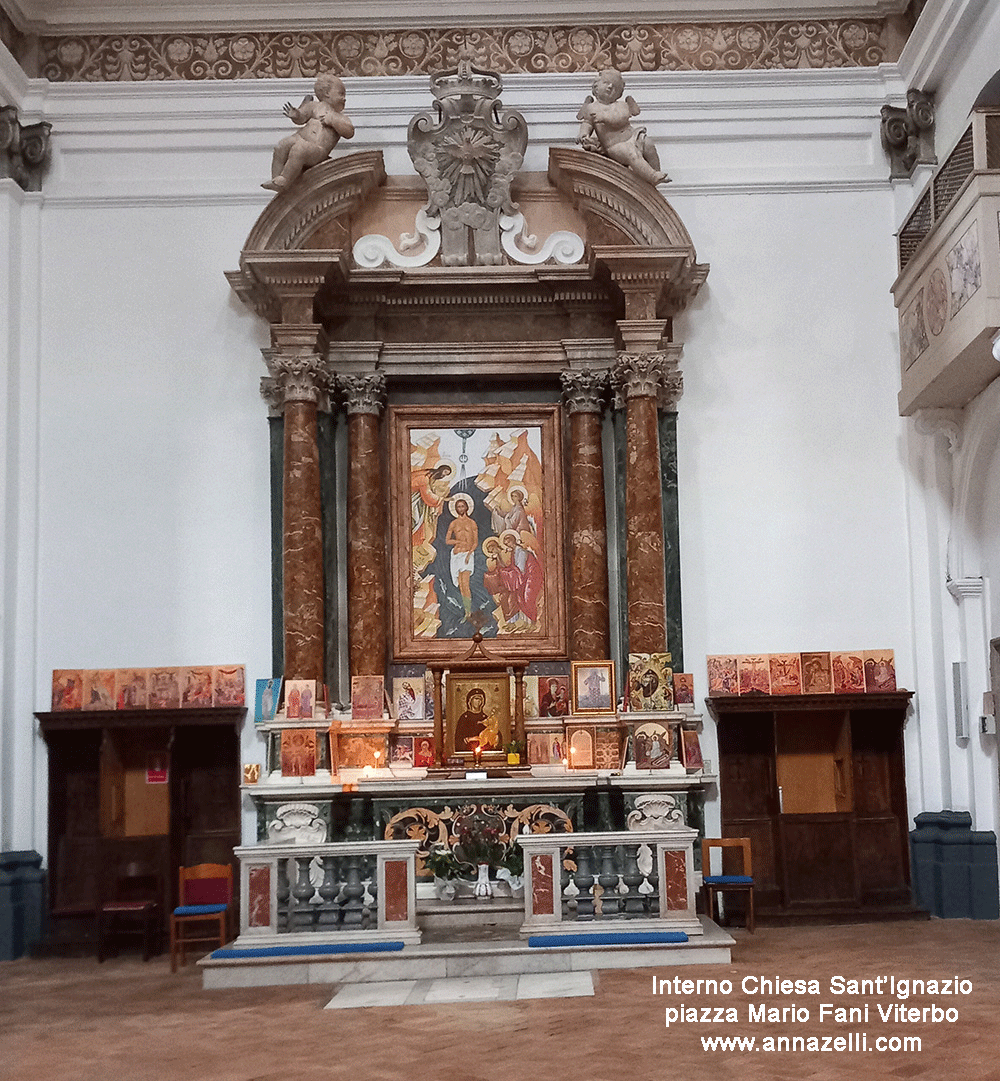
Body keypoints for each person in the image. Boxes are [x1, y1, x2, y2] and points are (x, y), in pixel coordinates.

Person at [263, 74, 355, 192]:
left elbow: (349, 132)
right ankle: (275, 178)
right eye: (341, 94)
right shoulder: (313, 106)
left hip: (318, 149)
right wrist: (296, 115)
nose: (344, 98)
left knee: (299, 149)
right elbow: (302, 116)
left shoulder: (340, 117)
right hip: (299, 137)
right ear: (327, 93)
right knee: (281, 145)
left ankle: (285, 179)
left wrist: (332, 120)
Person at [577, 69, 668, 186]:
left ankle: (656, 171)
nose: (610, 87)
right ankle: (652, 176)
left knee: (648, 143)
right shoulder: (591, 108)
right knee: (631, 153)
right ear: (596, 86)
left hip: (631, 137)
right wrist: (583, 135)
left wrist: (604, 117)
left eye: (614, 86)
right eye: (606, 83)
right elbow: (587, 123)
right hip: (614, 146)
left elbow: (620, 119)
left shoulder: (622, 105)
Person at [445, 497, 479, 616]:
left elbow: (475, 542)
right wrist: (458, 542)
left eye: (462, 506)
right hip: (456, 555)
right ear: (456, 509)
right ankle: (466, 609)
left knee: (466, 583)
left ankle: (468, 611)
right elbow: (447, 540)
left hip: (467, 554)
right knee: (460, 585)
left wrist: (469, 554)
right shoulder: (453, 523)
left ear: (466, 507)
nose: (460, 508)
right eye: (458, 506)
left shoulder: (472, 523)